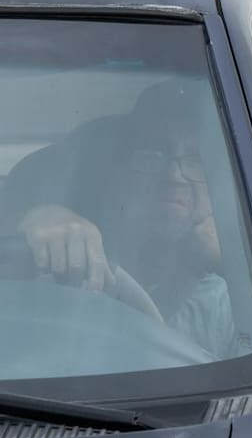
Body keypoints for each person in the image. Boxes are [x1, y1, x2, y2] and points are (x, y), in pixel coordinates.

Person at [3, 81, 236, 359]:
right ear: (119, 175)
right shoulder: (61, 263)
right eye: (153, 154)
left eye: (195, 159)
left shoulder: (229, 297)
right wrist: (25, 224)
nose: (174, 175)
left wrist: (234, 267)